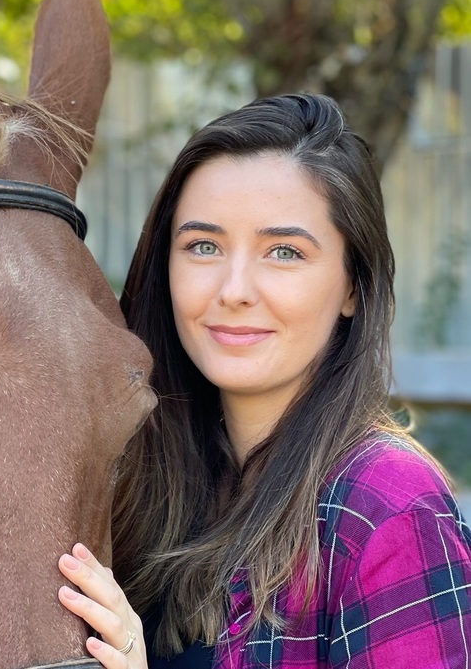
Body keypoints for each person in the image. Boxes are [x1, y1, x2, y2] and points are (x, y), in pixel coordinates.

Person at [57, 93, 471, 668]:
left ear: (353, 285)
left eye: (283, 252)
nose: (234, 290)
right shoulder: (140, 482)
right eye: (204, 246)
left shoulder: (386, 506)